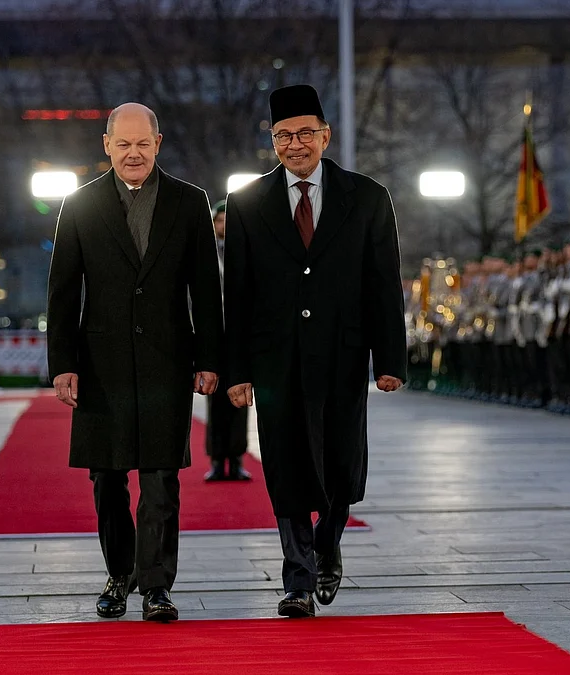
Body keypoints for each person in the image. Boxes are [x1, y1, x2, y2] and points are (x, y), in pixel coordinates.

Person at [222, 84, 406, 619]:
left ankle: (328, 543)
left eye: (305, 133)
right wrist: (238, 370)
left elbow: (383, 283)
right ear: (272, 142)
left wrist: (390, 360)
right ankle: (298, 579)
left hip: (343, 355)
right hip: (276, 360)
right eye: (283, 135)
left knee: (341, 462)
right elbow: (239, 294)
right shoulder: (248, 202)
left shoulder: (367, 197)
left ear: (325, 136)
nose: (295, 144)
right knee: (285, 465)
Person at [46, 102, 224, 622]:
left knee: (161, 479)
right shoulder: (78, 205)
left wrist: (209, 356)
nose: (132, 154)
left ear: (158, 143)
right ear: (106, 146)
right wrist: (63, 364)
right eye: (122, 145)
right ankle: (118, 573)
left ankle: (156, 587)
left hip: (167, 361)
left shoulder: (190, 203)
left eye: (142, 144)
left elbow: (205, 291)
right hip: (100, 366)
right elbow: (61, 292)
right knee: (106, 479)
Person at [204, 199, 251, 481]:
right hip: (213, 335)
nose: (223, 226)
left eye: (227, 221)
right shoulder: (205, 252)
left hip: (238, 335)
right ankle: (216, 459)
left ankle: (236, 458)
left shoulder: (245, 251)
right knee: (215, 401)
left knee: (240, 398)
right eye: (219, 221)